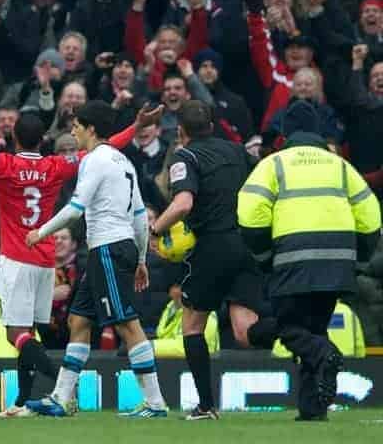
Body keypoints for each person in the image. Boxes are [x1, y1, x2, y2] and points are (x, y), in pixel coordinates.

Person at [0, 94, 161, 417]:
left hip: (17, 256)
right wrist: (135, 126)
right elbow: (105, 145)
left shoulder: (2, 164)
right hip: (46, 261)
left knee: (16, 335)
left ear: (14, 138)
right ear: (44, 140)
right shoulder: (57, 165)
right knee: (35, 331)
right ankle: (23, 402)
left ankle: (57, 383)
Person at [237, 100, 381, 421]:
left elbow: (249, 213)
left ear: (285, 134)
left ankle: (324, 355)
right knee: (313, 328)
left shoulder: (274, 164)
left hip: (292, 259)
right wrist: (357, 260)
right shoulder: (340, 165)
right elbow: (371, 217)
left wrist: (264, 257)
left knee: (291, 330)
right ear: (319, 132)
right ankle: (312, 409)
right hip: (337, 262)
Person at [25, 100, 168, 418]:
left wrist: (41, 232)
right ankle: (61, 399)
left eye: (77, 126)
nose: (73, 131)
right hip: (117, 248)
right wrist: (142, 258)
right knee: (79, 321)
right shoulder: (124, 162)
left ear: (91, 129)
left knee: (127, 324)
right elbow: (141, 215)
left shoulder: (95, 160)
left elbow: (75, 209)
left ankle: (156, 403)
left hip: (108, 248)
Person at [149, 100, 270, 420]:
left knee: (192, 325)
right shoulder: (236, 151)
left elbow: (183, 203)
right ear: (213, 127)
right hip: (246, 243)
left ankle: (205, 406)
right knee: (246, 330)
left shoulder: (184, 157)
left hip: (213, 246)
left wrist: (155, 229)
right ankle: (294, 327)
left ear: (181, 132)